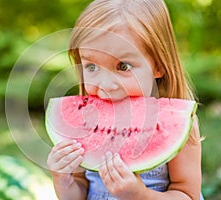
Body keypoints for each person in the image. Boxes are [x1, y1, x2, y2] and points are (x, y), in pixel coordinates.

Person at [47, 0, 204, 199]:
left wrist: (140, 195)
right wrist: (63, 179)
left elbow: (187, 194)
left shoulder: (181, 123)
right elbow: (78, 193)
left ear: (159, 65)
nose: (106, 84)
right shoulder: (83, 122)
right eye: (92, 67)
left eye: (123, 66)